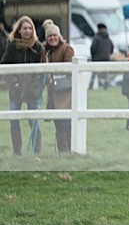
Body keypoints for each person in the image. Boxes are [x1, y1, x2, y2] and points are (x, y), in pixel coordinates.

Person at [1, 16, 45, 155]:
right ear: (19, 30)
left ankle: (36, 151)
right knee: (14, 121)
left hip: (33, 91)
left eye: (30, 28)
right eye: (24, 28)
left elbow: (42, 69)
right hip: (16, 90)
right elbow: (4, 65)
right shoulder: (12, 45)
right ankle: (17, 151)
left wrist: (34, 86)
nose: (27, 31)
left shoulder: (38, 47)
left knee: (33, 122)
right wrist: (14, 83)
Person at [42, 21, 74, 153]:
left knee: (65, 122)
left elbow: (69, 68)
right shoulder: (45, 51)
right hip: (52, 91)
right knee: (57, 123)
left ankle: (68, 149)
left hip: (65, 91)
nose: (52, 38)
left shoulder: (67, 49)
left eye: (54, 35)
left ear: (58, 36)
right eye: (50, 36)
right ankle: (62, 150)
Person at [90, 22, 114, 89]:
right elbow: (112, 48)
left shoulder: (96, 38)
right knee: (105, 74)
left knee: (94, 74)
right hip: (106, 58)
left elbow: (93, 48)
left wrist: (93, 56)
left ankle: (91, 86)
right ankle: (106, 87)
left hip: (97, 58)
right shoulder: (108, 38)